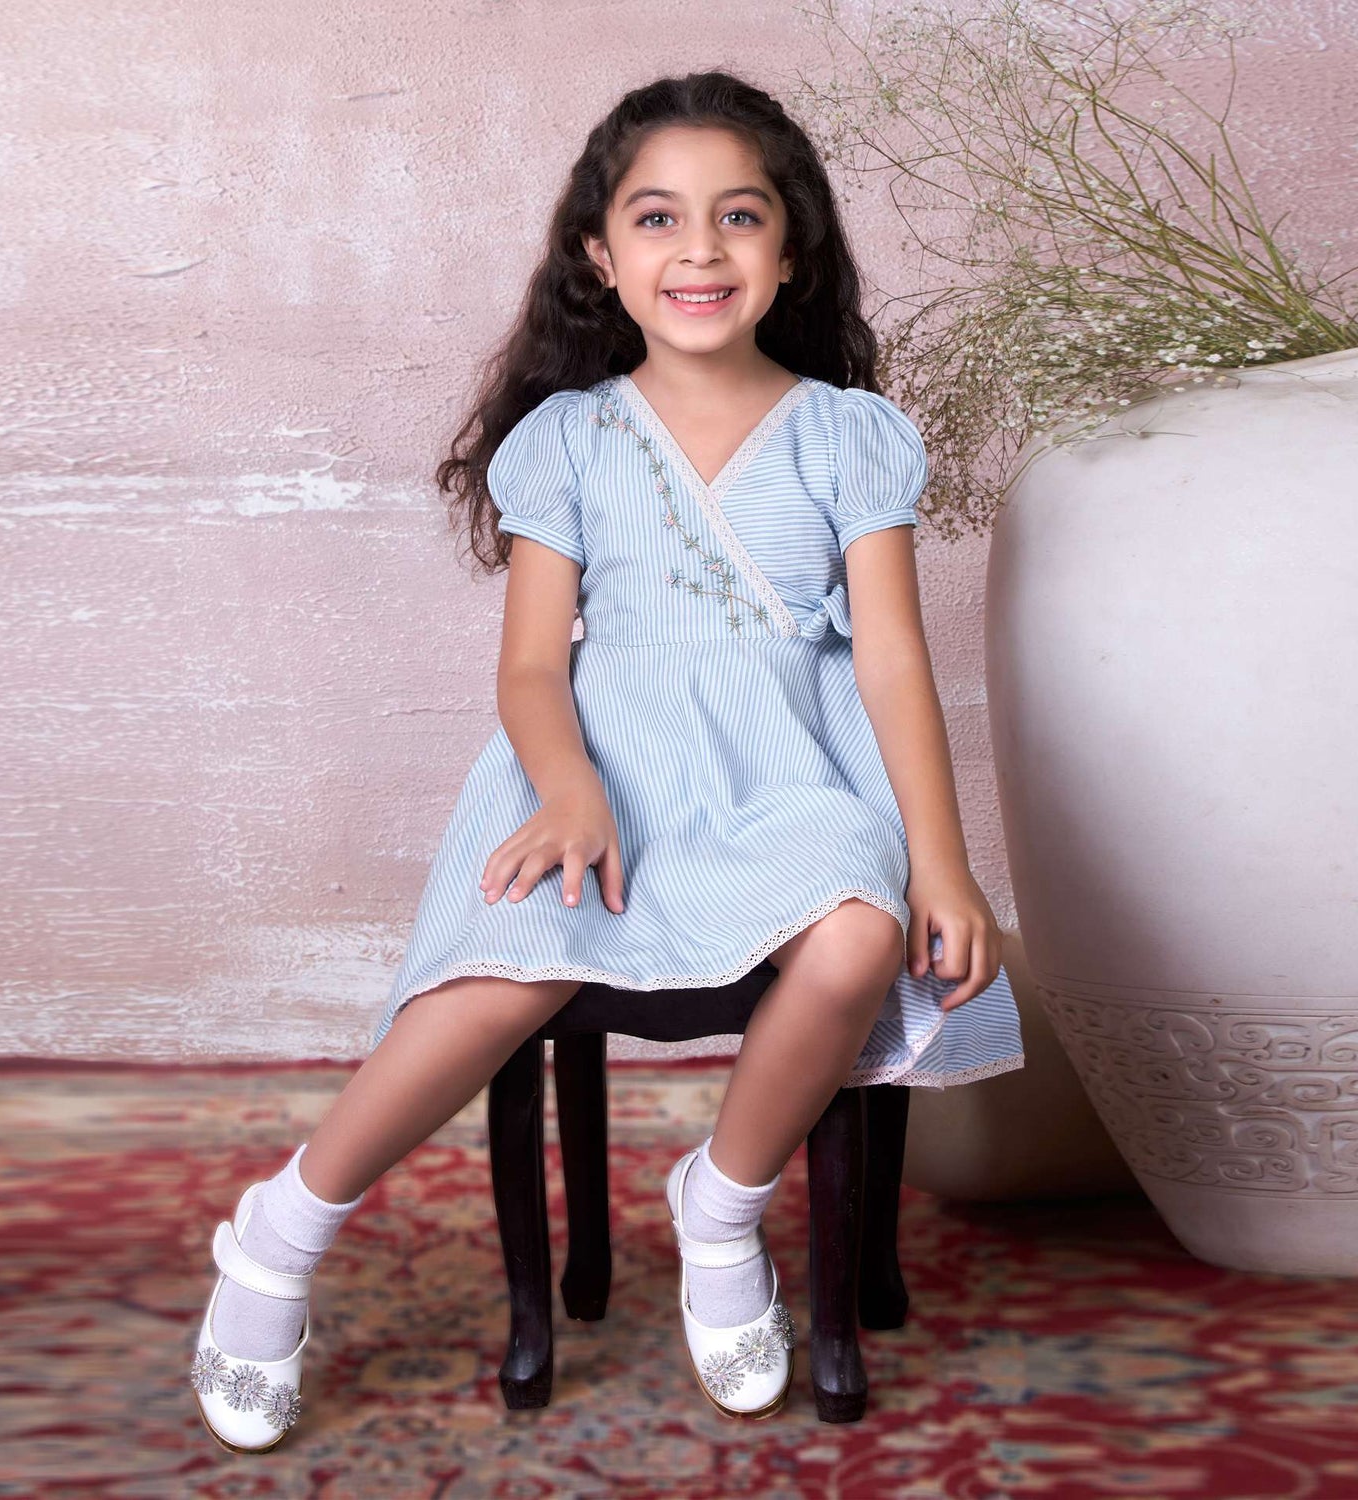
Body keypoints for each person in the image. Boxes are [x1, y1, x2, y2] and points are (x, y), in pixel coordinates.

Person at [190, 68, 1026, 1451]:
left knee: (859, 930)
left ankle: (722, 1199)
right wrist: (570, 787)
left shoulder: (848, 436)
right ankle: (278, 1235)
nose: (698, 250)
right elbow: (530, 665)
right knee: (499, 963)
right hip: (601, 757)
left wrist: (945, 865)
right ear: (601, 256)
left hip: (785, 766)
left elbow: (889, 660)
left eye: (738, 216)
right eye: (656, 219)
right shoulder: (567, 439)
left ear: (791, 247)